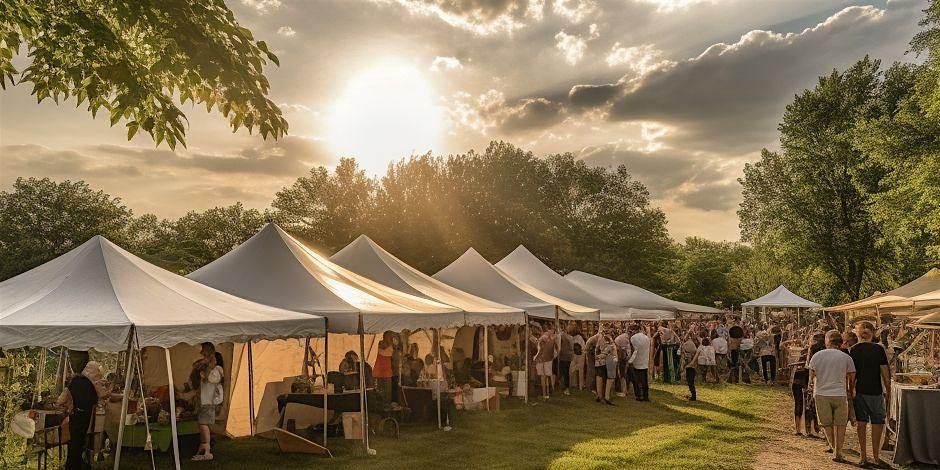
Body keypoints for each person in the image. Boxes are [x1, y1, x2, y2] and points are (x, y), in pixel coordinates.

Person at [809, 330, 856, 464]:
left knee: (826, 424)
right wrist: (850, 390)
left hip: (821, 393)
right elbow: (852, 377)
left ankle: (834, 448)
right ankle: (838, 450)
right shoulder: (846, 357)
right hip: (840, 393)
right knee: (840, 424)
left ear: (827, 340)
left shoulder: (817, 356)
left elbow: (811, 376)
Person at [849, 321, 891, 468]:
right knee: (877, 423)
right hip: (875, 392)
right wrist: (888, 390)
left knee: (862, 424)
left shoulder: (853, 350)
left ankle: (863, 456)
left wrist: (851, 391)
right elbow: (885, 373)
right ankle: (875, 456)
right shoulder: (878, 349)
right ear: (873, 334)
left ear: (857, 333)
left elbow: (852, 375)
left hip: (860, 391)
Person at [57, 362, 100, 470]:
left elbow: (61, 400)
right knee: (79, 442)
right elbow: (95, 400)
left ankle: (72, 466)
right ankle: (76, 465)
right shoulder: (89, 383)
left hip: (76, 416)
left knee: (73, 443)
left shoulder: (74, 383)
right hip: (86, 416)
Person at [193, 343, 224, 461]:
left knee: (203, 424)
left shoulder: (217, 370)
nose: (201, 353)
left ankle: (206, 448)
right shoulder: (208, 367)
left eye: (204, 350)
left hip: (209, 402)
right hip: (205, 401)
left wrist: (206, 371)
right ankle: (204, 446)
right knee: (202, 423)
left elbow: (212, 380)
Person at [594, 326, 616, 405]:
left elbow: (597, 349)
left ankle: (599, 396)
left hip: (598, 362)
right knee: (608, 378)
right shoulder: (608, 340)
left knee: (599, 378)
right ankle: (606, 397)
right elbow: (607, 351)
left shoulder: (599, 338)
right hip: (605, 362)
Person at [629, 325, 651, 401]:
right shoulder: (646, 338)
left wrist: (630, 361)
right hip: (644, 361)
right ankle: (645, 396)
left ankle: (638, 395)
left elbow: (634, 350)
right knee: (644, 380)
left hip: (636, 361)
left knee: (637, 380)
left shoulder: (633, 338)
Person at [534, 328, 556, 399]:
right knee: (547, 377)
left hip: (541, 360)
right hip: (548, 359)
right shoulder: (553, 339)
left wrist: (535, 358)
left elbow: (539, 350)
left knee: (543, 378)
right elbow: (556, 350)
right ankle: (548, 393)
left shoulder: (541, 339)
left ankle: (544, 394)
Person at [614, 327, 633, 397]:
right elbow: (627, 351)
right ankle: (624, 390)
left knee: (623, 375)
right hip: (622, 358)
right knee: (623, 375)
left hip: (623, 358)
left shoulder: (625, 338)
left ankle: (624, 390)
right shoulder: (625, 338)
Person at [681, 334, 699, 401]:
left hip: (691, 368)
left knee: (690, 382)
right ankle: (692, 394)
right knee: (690, 382)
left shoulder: (690, 346)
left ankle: (693, 396)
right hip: (690, 368)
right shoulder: (692, 348)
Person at [557, 325, 574, 396]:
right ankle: (565, 388)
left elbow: (559, 347)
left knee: (563, 372)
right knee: (565, 372)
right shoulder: (570, 337)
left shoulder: (562, 336)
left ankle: (565, 388)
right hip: (568, 357)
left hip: (563, 356)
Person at [569, 326, 586, 391]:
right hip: (581, 355)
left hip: (576, 355)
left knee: (573, 370)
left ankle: (573, 384)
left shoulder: (573, 338)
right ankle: (580, 386)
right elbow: (583, 347)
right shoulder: (580, 338)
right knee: (580, 371)